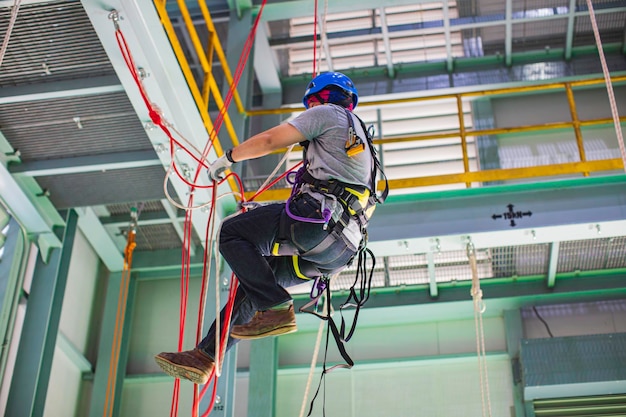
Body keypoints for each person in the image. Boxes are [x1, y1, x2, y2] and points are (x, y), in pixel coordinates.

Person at [154, 71, 380, 385]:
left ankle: (274, 308)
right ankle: (206, 356)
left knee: (232, 233)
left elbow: (271, 140)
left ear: (317, 98)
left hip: (317, 221)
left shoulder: (327, 114)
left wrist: (228, 158)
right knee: (255, 285)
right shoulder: (362, 141)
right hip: (338, 251)